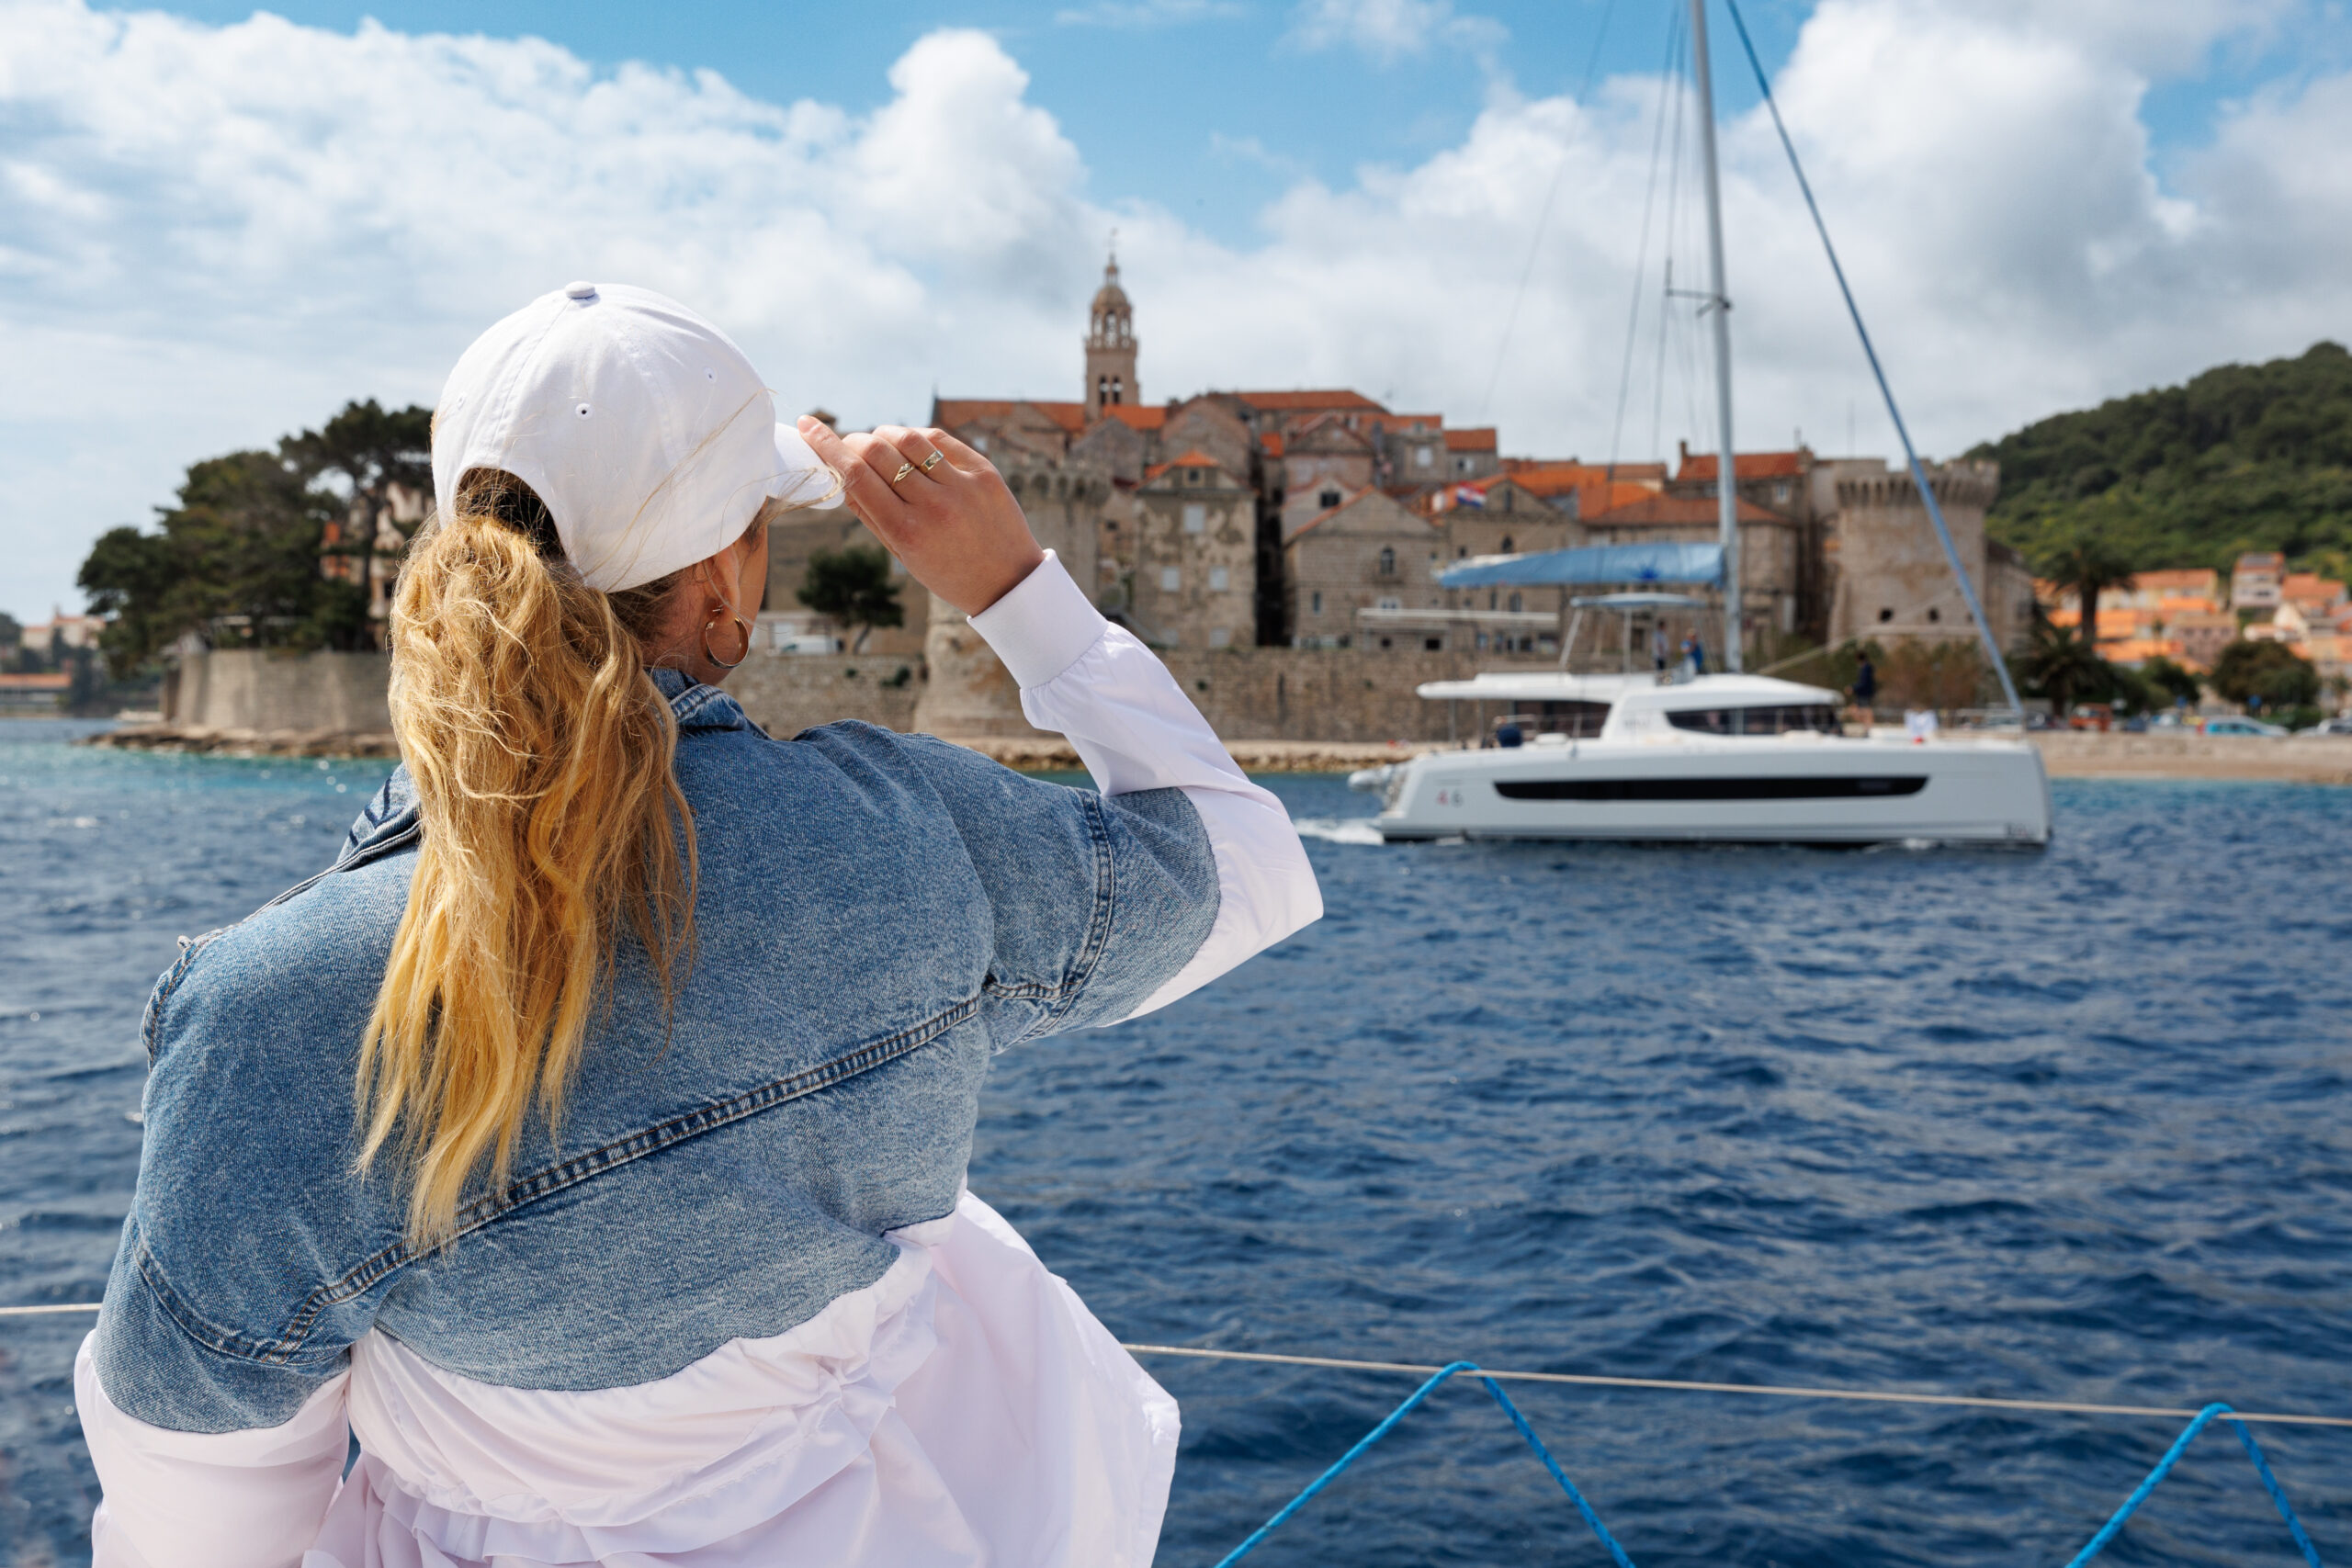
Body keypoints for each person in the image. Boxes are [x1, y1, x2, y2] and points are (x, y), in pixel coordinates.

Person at [74, 283, 1321, 1568]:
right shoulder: (904, 835)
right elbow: (1237, 865)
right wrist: (1013, 588)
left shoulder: (270, 1016)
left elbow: (194, 1516)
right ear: (727, 576)